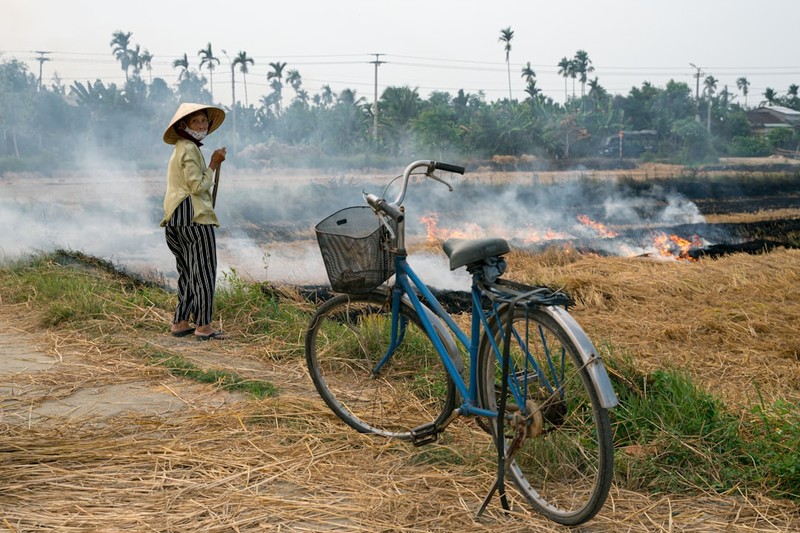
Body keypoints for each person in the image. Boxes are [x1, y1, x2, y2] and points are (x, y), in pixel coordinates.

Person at [160, 103, 228, 340]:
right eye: (196, 121)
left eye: (204, 121)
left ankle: (180, 321)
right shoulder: (189, 149)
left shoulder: (181, 148)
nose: (201, 125)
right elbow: (197, 186)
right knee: (204, 270)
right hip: (193, 216)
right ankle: (204, 325)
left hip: (175, 217)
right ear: (183, 126)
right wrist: (213, 164)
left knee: (188, 271)